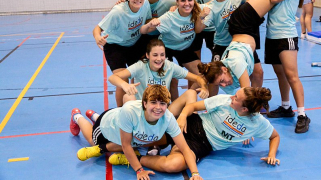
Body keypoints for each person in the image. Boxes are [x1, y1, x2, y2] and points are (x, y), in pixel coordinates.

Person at [110, 87, 281, 170]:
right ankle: (105, 145)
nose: (232, 96)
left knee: (173, 166)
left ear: (244, 109)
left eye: (236, 98)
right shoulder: (223, 100)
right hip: (190, 125)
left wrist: (271, 154)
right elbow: (192, 106)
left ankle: (135, 159)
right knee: (133, 141)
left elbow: (275, 136)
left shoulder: (258, 123)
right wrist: (183, 117)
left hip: (203, 145)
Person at [69, 85, 203, 180]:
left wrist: (195, 173)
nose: (158, 107)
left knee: (136, 141)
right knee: (93, 140)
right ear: (144, 103)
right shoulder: (130, 112)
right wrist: (139, 170)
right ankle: (77, 117)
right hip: (106, 126)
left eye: (162, 103)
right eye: (153, 102)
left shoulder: (168, 118)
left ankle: (93, 115)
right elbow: (126, 145)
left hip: (122, 125)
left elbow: (184, 148)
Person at [195, 0, 264, 93]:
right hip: (222, 44)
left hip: (241, 43)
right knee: (214, 76)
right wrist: (201, 17)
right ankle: (212, 105)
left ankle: (256, 101)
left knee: (258, 72)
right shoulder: (211, 7)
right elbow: (199, 29)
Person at [264, 0, 309, 133]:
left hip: (286, 35)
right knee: (280, 74)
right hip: (271, 35)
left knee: (292, 75)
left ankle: (302, 115)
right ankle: (285, 107)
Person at [93, 0, 152, 107]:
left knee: (139, 77)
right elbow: (97, 29)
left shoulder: (146, 4)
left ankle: (137, 106)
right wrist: (98, 38)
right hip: (115, 46)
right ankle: (120, 111)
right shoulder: (118, 12)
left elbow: (147, 21)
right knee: (122, 81)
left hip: (134, 44)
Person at [140, 0, 207, 91]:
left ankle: (187, 98)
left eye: (190, 0)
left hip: (185, 48)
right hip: (167, 48)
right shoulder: (169, 17)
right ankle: (172, 106)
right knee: (172, 80)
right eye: (183, 0)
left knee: (203, 75)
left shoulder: (199, 11)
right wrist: (150, 25)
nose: (187, 3)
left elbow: (217, 2)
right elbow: (142, 30)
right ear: (177, 2)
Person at [108, 39, 209, 102]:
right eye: (155, 55)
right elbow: (112, 78)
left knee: (191, 93)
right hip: (142, 108)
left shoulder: (169, 66)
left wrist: (204, 87)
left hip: (162, 107)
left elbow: (197, 78)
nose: (159, 59)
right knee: (128, 97)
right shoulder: (140, 66)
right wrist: (125, 85)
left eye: (162, 55)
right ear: (147, 55)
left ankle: (190, 124)